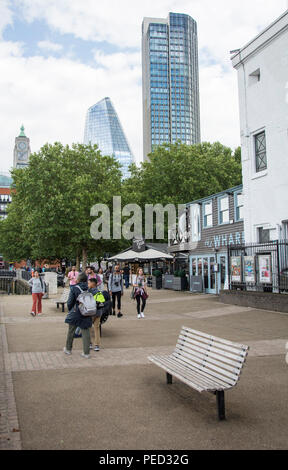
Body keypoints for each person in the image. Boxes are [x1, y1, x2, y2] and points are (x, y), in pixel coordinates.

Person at [64, 272, 92, 359]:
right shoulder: (89, 288)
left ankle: (68, 349)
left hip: (76, 312)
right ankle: (86, 353)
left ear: (79, 279)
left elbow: (70, 302)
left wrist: (71, 309)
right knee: (86, 331)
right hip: (87, 312)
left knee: (71, 330)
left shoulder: (74, 288)